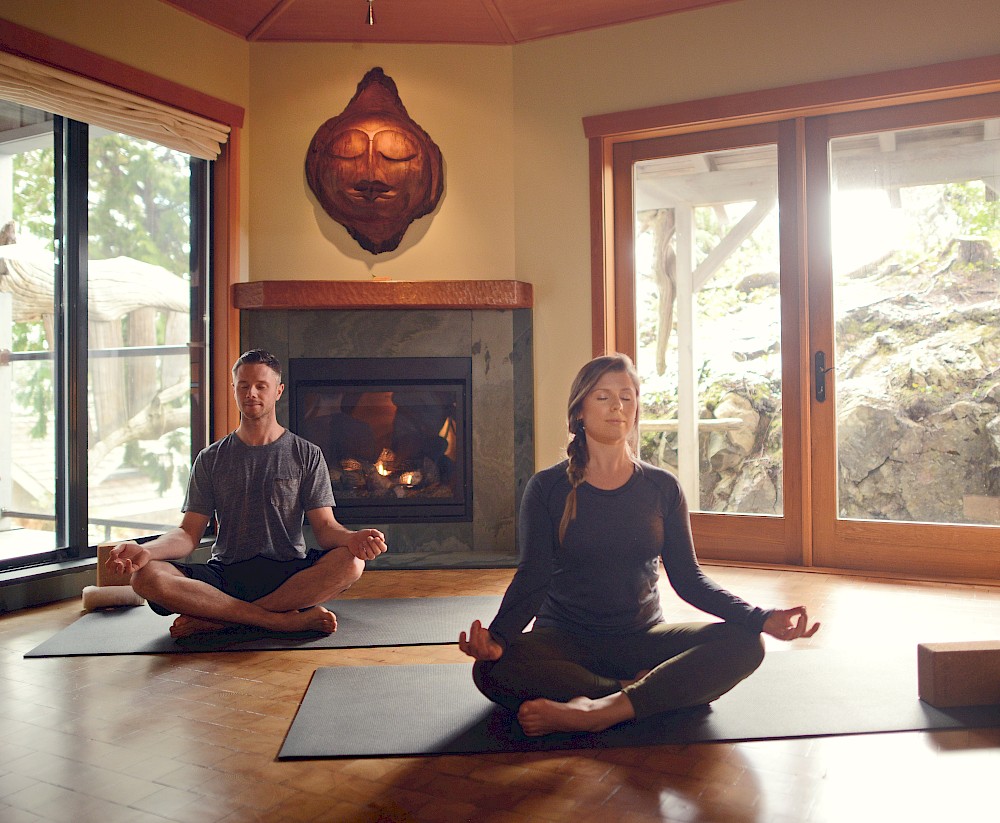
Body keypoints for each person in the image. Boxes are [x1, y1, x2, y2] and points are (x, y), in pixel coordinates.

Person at [459, 353, 818, 737]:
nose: (617, 406)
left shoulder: (662, 487)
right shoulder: (547, 488)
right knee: (491, 670)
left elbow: (689, 579)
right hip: (565, 642)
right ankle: (634, 692)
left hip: (642, 638)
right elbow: (534, 576)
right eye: (603, 397)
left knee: (746, 644)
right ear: (579, 410)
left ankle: (598, 710)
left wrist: (758, 618)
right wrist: (497, 638)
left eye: (627, 397)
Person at [106, 349, 387, 640]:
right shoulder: (210, 458)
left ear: (278, 391)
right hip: (227, 573)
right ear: (234, 389)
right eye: (244, 385)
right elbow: (188, 535)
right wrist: (147, 550)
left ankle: (220, 620)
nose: (251, 393)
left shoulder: (306, 454)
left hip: (289, 574)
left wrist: (353, 539)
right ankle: (276, 621)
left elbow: (327, 529)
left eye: (261, 386)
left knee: (352, 562)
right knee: (146, 577)